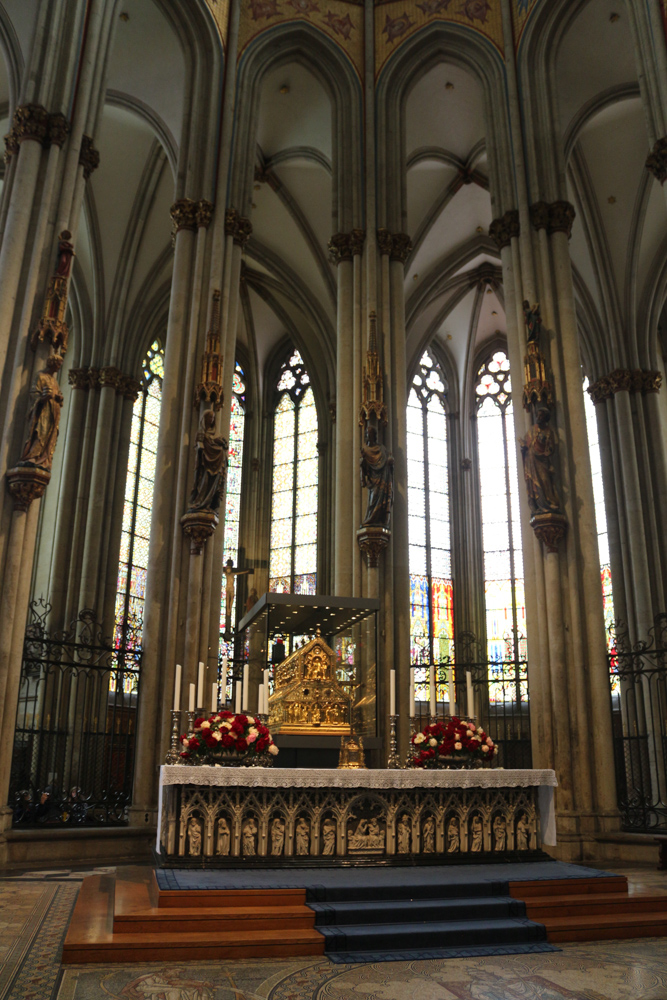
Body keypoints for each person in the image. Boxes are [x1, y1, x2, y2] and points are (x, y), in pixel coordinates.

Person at [19, 354, 64, 471]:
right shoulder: (41, 376)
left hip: (53, 412)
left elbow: (59, 395)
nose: (59, 367)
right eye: (58, 364)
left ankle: (43, 459)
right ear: (52, 363)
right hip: (42, 411)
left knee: (49, 434)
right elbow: (34, 393)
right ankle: (32, 456)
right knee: (40, 431)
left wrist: (59, 398)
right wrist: (44, 398)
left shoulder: (54, 381)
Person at [520, 407, 561, 515]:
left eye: (541, 415)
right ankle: (537, 506)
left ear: (546, 418)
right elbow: (526, 444)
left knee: (545, 482)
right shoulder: (532, 430)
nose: (538, 417)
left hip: (542, 462)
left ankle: (547, 504)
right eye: (537, 415)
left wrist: (547, 451)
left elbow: (551, 448)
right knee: (534, 485)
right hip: (531, 461)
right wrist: (523, 448)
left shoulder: (549, 432)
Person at [187, 410, 227, 512]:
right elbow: (198, 446)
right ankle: (200, 502)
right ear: (204, 419)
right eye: (209, 417)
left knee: (214, 484)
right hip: (205, 463)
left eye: (213, 418)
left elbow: (224, 445)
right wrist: (202, 447)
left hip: (217, 464)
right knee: (204, 482)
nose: (211, 420)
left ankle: (209, 504)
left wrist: (221, 443)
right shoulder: (201, 433)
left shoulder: (216, 434)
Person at [360, 425, 394, 527]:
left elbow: (389, 459)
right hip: (373, 480)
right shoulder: (365, 450)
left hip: (383, 478)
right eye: (367, 434)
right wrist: (362, 464)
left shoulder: (381, 449)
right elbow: (364, 467)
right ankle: (370, 519)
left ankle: (379, 521)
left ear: (374, 436)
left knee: (381, 501)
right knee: (372, 500)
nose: (369, 436)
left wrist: (390, 461)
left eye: (370, 434)